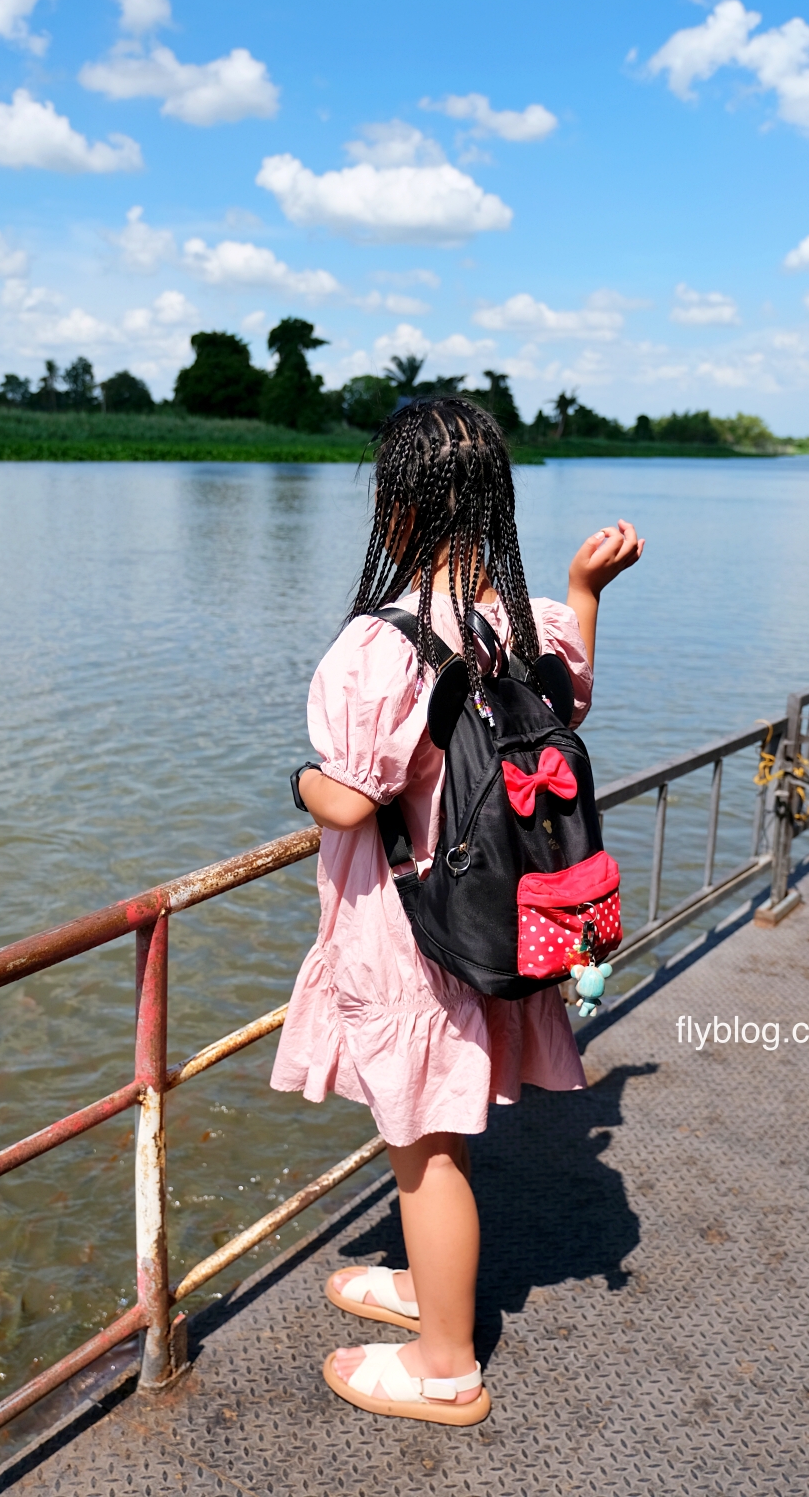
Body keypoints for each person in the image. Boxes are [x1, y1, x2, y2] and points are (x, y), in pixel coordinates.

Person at [271, 397, 644, 1424]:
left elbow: (351, 800)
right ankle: (424, 1287)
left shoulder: (383, 643)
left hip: (409, 932)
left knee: (426, 1149)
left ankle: (444, 1367)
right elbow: (569, 705)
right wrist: (583, 590)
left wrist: (298, 780)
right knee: (436, 1123)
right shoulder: (517, 625)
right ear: (494, 505)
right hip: (484, 918)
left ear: (397, 509)